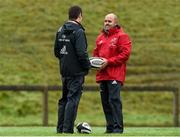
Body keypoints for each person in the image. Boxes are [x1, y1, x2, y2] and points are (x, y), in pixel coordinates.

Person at [54, 5, 91, 134]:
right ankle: (67, 129)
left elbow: (57, 52)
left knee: (64, 99)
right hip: (76, 72)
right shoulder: (79, 31)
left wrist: (65, 60)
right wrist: (87, 65)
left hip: (64, 71)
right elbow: (82, 53)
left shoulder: (60, 30)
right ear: (79, 15)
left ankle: (60, 129)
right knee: (72, 99)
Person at [93, 13, 132, 133]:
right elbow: (95, 55)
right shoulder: (100, 38)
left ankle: (118, 129)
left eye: (109, 21)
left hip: (115, 75)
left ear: (115, 23)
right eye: (105, 21)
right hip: (103, 75)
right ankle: (109, 128)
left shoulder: (122, 36)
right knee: (105, 102)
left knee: (114, 101)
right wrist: (95, 62)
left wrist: (108, 61)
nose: (106, 23)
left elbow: (125, 55)